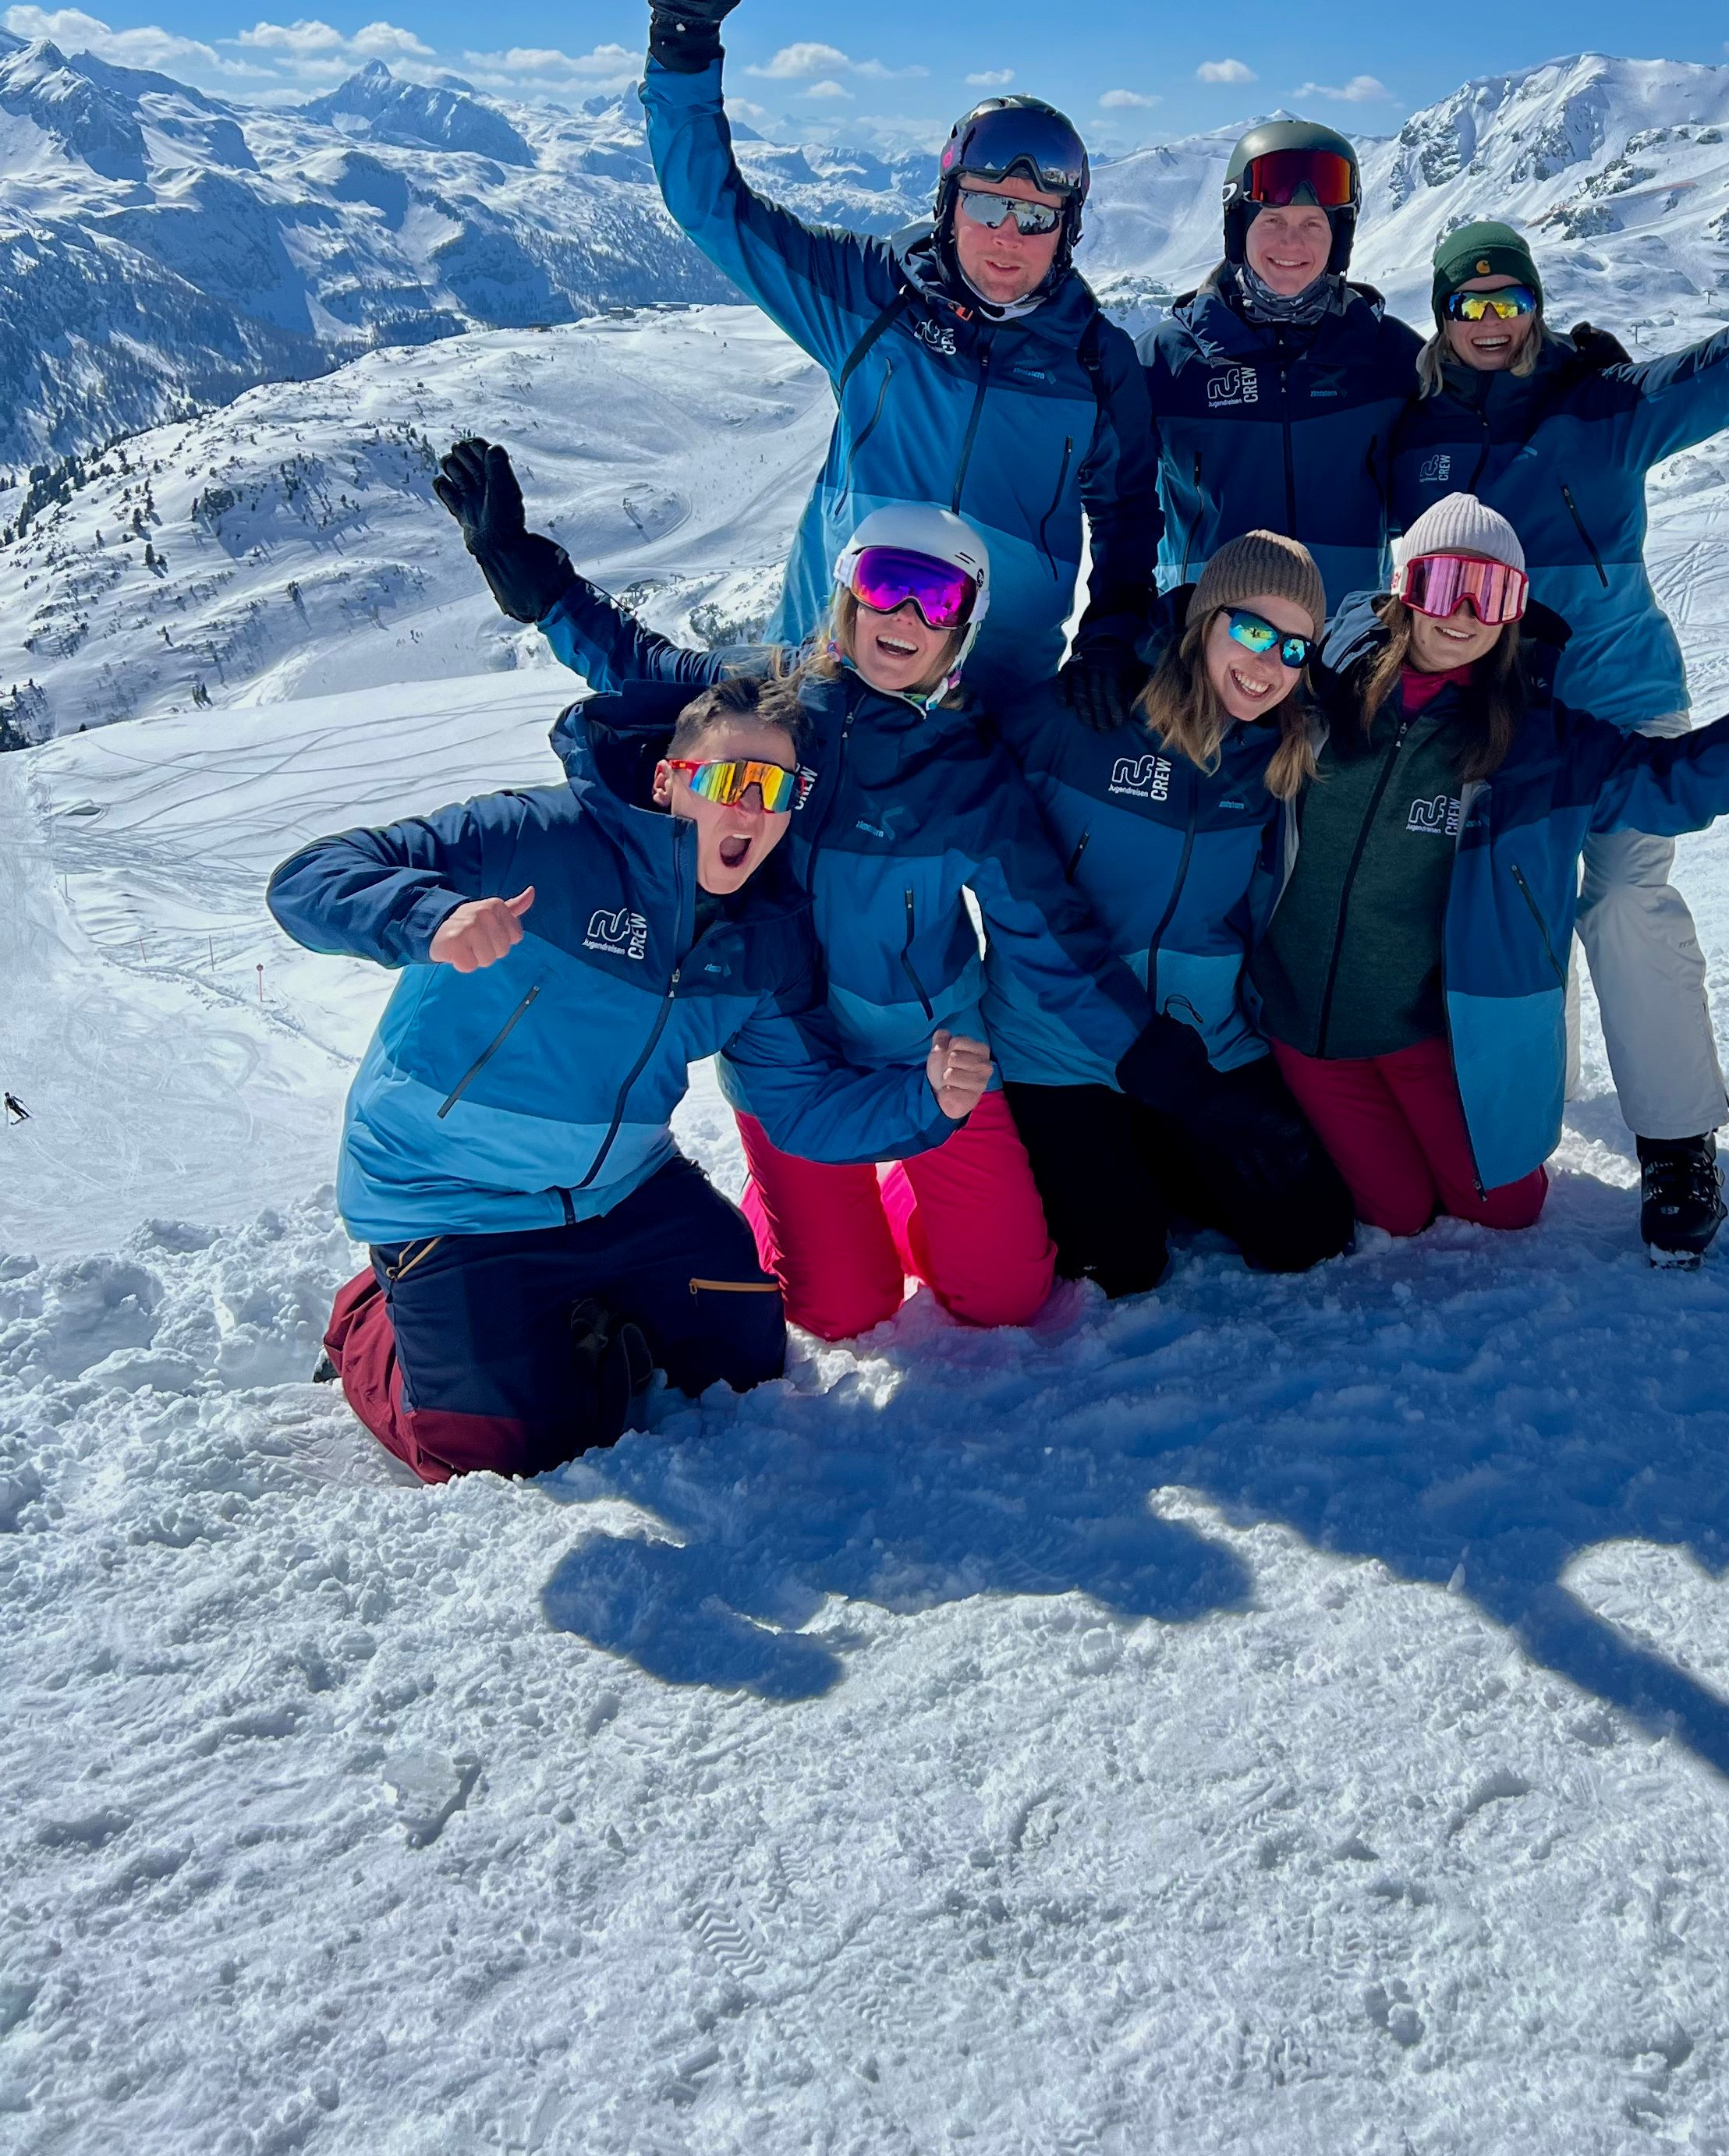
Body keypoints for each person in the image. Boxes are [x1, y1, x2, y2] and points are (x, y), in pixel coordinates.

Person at [434, 443, 1217, 1336]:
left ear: (962, 630)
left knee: (1003, 1298)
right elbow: (638, 662)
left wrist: (1150, 1054)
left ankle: (897, 1188)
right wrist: (544, 589)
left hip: (932, 1052)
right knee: (840, 1309)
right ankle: (808, 1210)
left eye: (938, 600)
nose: (906, 615)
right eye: (886, 584)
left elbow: (1052, 937)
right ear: (847, 595)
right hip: (788, 1052)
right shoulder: (770, 707)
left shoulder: (969, 777)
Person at [267, 669, 985, 1480]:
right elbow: (308, 877)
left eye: (780, 789)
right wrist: (430, 917)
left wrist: (926, 1098)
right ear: (669, 780)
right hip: (451, 1196)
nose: (753, 809)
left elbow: (800, 1103)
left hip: (622, 1189)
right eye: (733, 781)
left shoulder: (764, 936)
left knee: (743, 1357)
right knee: (487, 1448)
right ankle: (369, 1316)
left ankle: (563, 1309)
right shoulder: (540, 839)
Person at [1383, 152, 1729, 1174]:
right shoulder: (1408, 435)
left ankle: (1679, 1145)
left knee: (1624, 900)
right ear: (1443, 315)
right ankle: (1531, 1107)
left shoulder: (1607, 409)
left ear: (1537, 307)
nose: (1492, 320)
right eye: (1470, 302)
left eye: (1511, 299)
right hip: (1486, 720)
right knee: (1508, 906)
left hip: (1619, 698)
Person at [1250, 497, 1729, 1262]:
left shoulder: (1538, 746)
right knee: (1394, 1213)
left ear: (1514, 613)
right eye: (1444, 584)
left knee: (1506, 1208)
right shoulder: (1321, 694)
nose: (1463, 615)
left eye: (1491, 594)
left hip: (1419, 1031)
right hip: (1303, 1029)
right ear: (1404, 590)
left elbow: (1679, 782)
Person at [635, 0, 1160, 723]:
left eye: (1036, 217)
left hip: (994, 704)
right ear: (949, 206)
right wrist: (685, 42)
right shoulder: (870, 294)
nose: (1008, 236)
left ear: (1067, 230)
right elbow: (713, 210)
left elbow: (1127, 516)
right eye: (986, 205)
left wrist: (1111, 636)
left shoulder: (1095, 359)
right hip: (823, 678)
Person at [989, 529, 1355, 1293]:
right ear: (1205, 620)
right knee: (1119, 1264)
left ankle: (1148, 1142)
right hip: (1061, 1041)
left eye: (1293, 648)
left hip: (1202, 1042)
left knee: (1310, 1231)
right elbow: (951, 755)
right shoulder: (1086, 713)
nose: (1267, 663)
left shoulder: (1277, 754)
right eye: (1252, 630)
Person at [1147, 119, 1419, 617]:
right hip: (1209, 639)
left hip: (1346, 634)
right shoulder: (1168, 359)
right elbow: (1109, 500)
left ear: (1338, 238)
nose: (1292, 244)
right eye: (1272, 221)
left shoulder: (1390, 356)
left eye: (1313, 224)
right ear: (1238, 228)